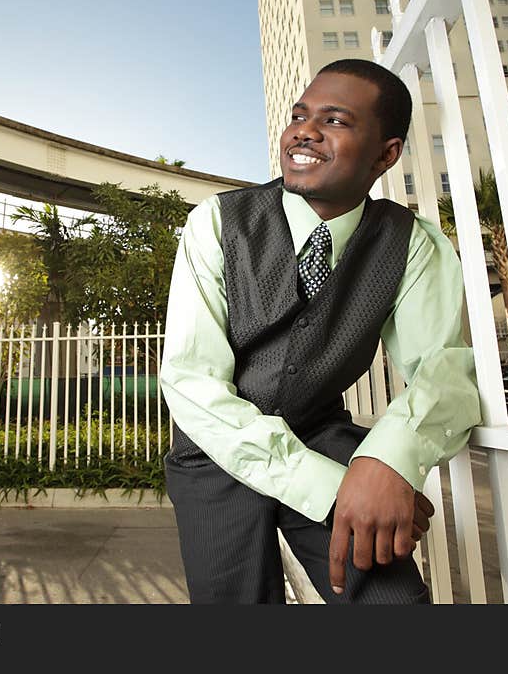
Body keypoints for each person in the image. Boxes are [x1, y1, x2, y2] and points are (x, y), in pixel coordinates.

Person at [160, 59, 481, 604]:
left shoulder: (412, 243)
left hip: (322, 433)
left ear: (387, 154)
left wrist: (385, 463)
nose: (303, 131)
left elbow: (443, 372)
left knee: (394, 605)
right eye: (299, 115)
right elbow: (191, 381)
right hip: (216, 451)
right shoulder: (216, 221)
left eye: (335, 120)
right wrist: (333, 488)